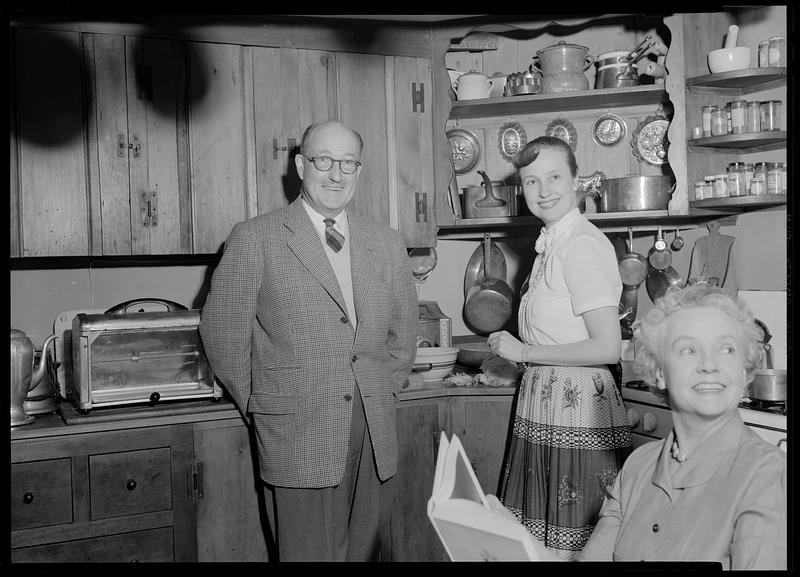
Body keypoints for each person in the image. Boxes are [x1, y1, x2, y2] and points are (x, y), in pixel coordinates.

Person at [199, 119, 419, 562]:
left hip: (371, 425)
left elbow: (404, 333)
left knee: (362, 553)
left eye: (348, 163)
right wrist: (263, 403)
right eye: (324, 160)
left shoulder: (388, 243)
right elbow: (222, 335)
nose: (336, 174)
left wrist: (382, 389)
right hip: (295, 427)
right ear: (301, 165)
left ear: (359, 170)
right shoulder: (255, 238)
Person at [486, 136, 633, 560]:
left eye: (554, 177)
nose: (544, 190)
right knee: (539, 545)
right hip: (548, 402)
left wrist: (525, 353)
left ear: (577, 181)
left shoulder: (582, 245)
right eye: (532, 182)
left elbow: (609, 346)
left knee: (578, 546)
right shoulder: (553, 243)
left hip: (577, 408)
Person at [577, 284, 787, 569]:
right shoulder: (639, 465)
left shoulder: (767, 472)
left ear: (744, 369)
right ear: (660, 372)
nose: (709, 364)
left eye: (726, 349)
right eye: (688, 349)